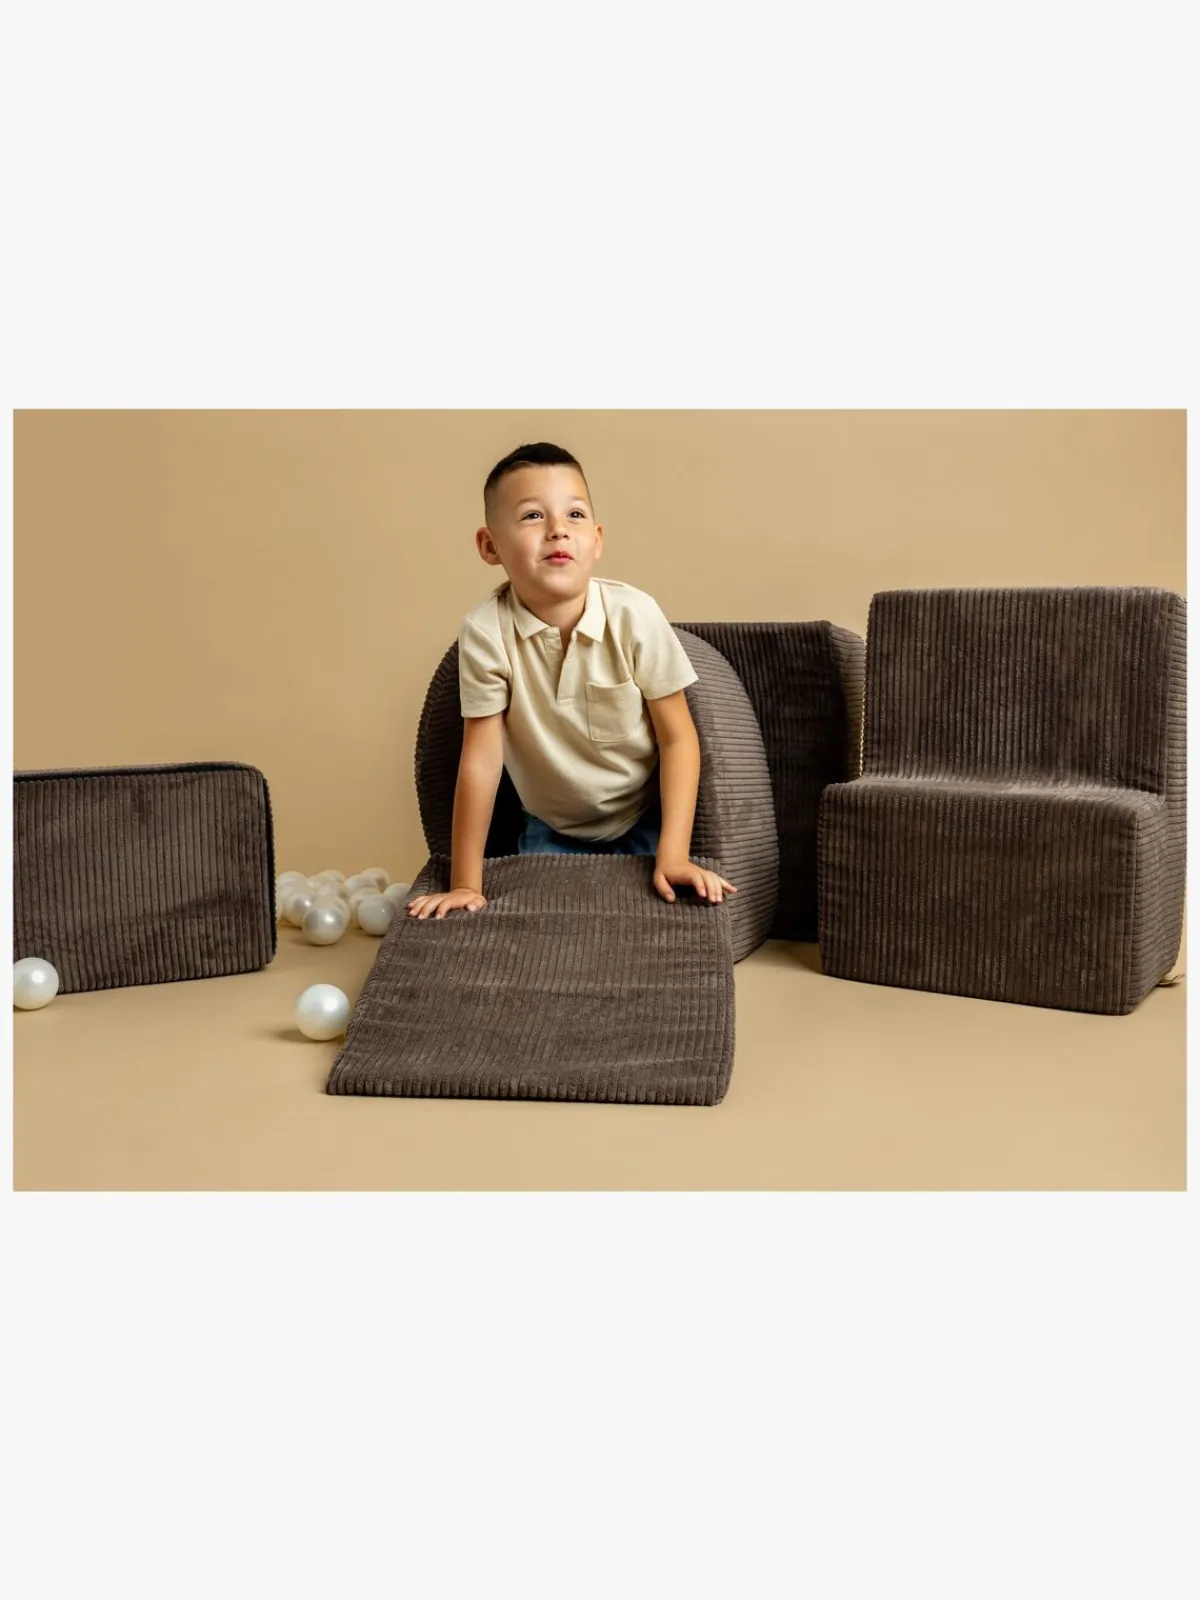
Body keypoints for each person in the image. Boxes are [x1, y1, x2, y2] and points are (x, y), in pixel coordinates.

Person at [406, 442, 739, 920]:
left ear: (597, 540)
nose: (558, 529)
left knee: (658, 915)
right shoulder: (485, 631)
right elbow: (481, 760)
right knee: (552, 928)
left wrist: (674, 853)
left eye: (575, 515)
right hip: (551, 829)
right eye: (532, 516)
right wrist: (465, 883)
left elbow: (678, 737)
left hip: (643, 818)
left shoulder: (634, 615)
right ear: (489, 546)